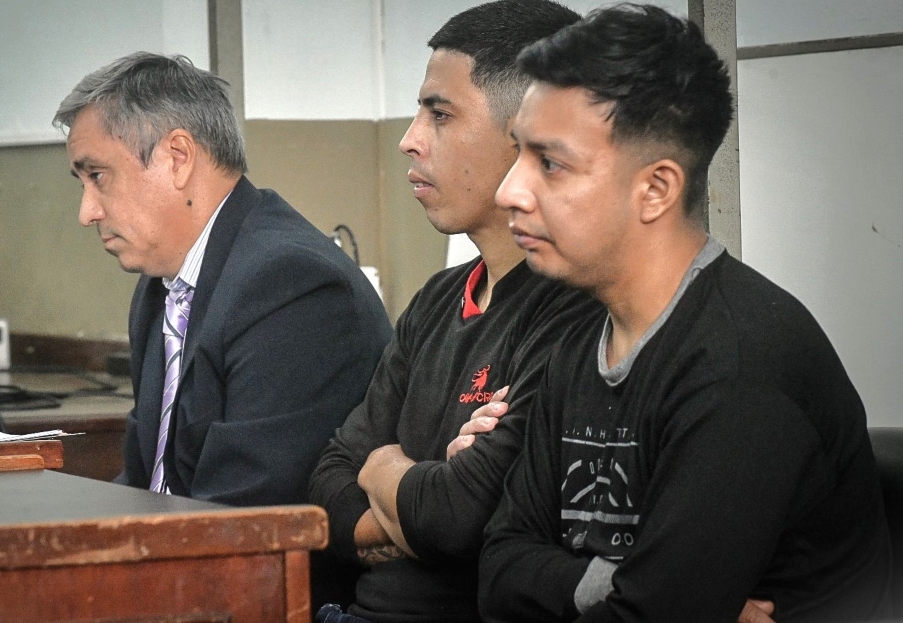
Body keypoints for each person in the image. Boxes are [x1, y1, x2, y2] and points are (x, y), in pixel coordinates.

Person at [478, 5, 893, 622]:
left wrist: (621, 595)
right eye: (518, 153)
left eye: (551, 164)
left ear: (655, 190)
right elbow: (498, 573)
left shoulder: (741, 367)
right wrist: (617, 586)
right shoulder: (580, 337)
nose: (508, 191)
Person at [308, 3, 599, 622]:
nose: (410, 139)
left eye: (439, 114)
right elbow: (329, 478)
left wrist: (383, 468)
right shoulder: (438, 299)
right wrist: (404, 505)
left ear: (528, 132)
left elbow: (460, 519)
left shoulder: (574, 305)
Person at [53, 53, 392, 510]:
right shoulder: (161, 285)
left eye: (98, 176)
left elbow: (248, 511)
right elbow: (146, 478)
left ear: (177, 157)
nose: (87, 212)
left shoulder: (290, 285)